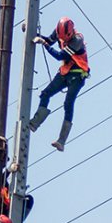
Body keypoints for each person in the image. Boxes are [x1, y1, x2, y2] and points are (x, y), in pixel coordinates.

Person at [28, 16, 90, 151]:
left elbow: (60, 56)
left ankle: (62, 140)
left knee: (68, 103)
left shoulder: (77, 40)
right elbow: (49, 41)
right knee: (45, 94)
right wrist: (33, 33)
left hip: (78, 74)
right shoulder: (58, 32)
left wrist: (43, 44)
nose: (64, 40)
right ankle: (35, 123)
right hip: (65, 72)